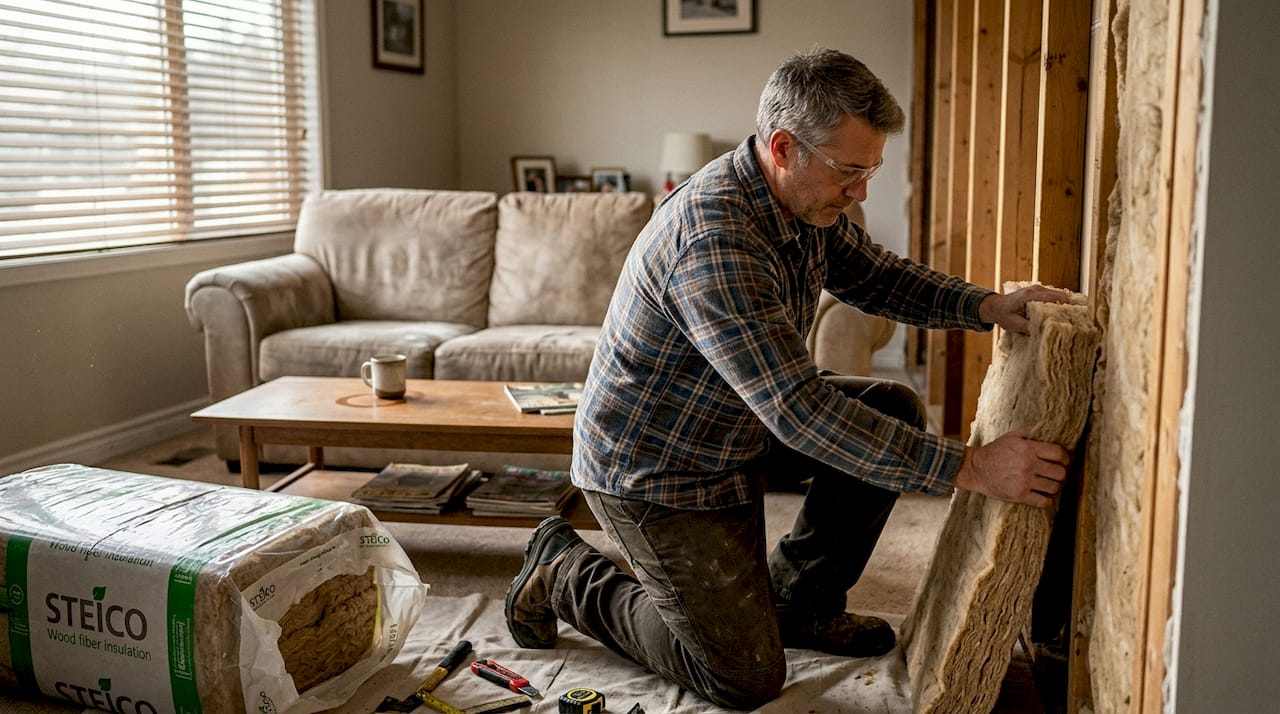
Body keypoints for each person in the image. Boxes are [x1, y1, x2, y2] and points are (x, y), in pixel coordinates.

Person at [504, 48, 1070, 710]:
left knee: (891, 407)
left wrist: (984, 306)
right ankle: (563, 569)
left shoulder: (807, 206)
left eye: (871, 171)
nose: (861, 191)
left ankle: (800, 602)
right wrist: (972, 467)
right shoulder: (717, 237)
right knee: (741, 677)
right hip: (657, 470)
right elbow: (800, 413)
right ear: (783, 147)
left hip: (731, 425)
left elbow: (877, 276)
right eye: (850, 171)